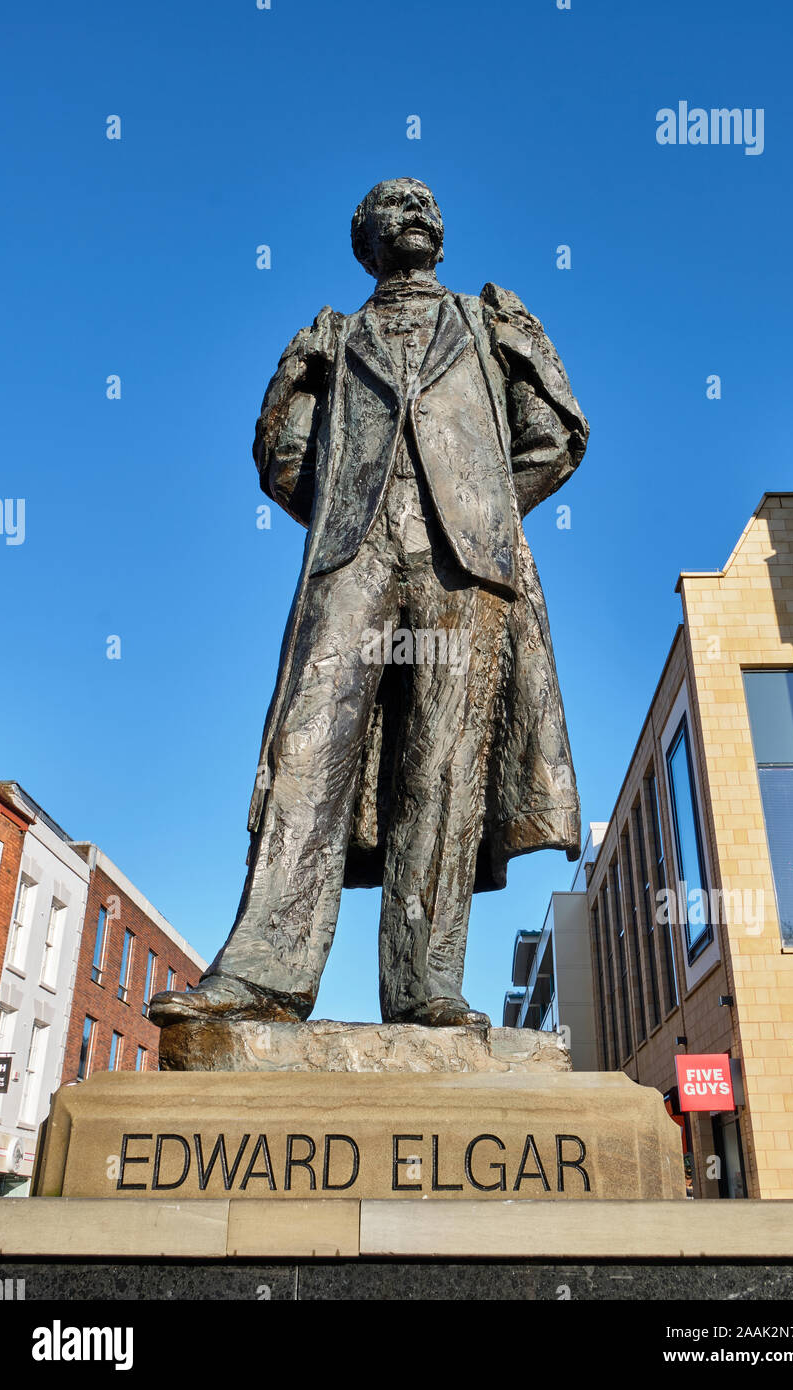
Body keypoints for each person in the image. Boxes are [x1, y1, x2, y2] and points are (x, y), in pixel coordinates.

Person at [150, 177, 588, 1032]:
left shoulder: (491, 321)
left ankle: (427, 985)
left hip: (463, 564)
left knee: (444, 764)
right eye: (392, 205)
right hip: (351, 557)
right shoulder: (330, 338)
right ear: (365, 241)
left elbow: (557, 432)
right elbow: (283, 456)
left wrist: (479, 511)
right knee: (306, 750)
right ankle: (263, 972)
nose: (414, 211)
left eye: (426, 202)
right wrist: (352, 506)